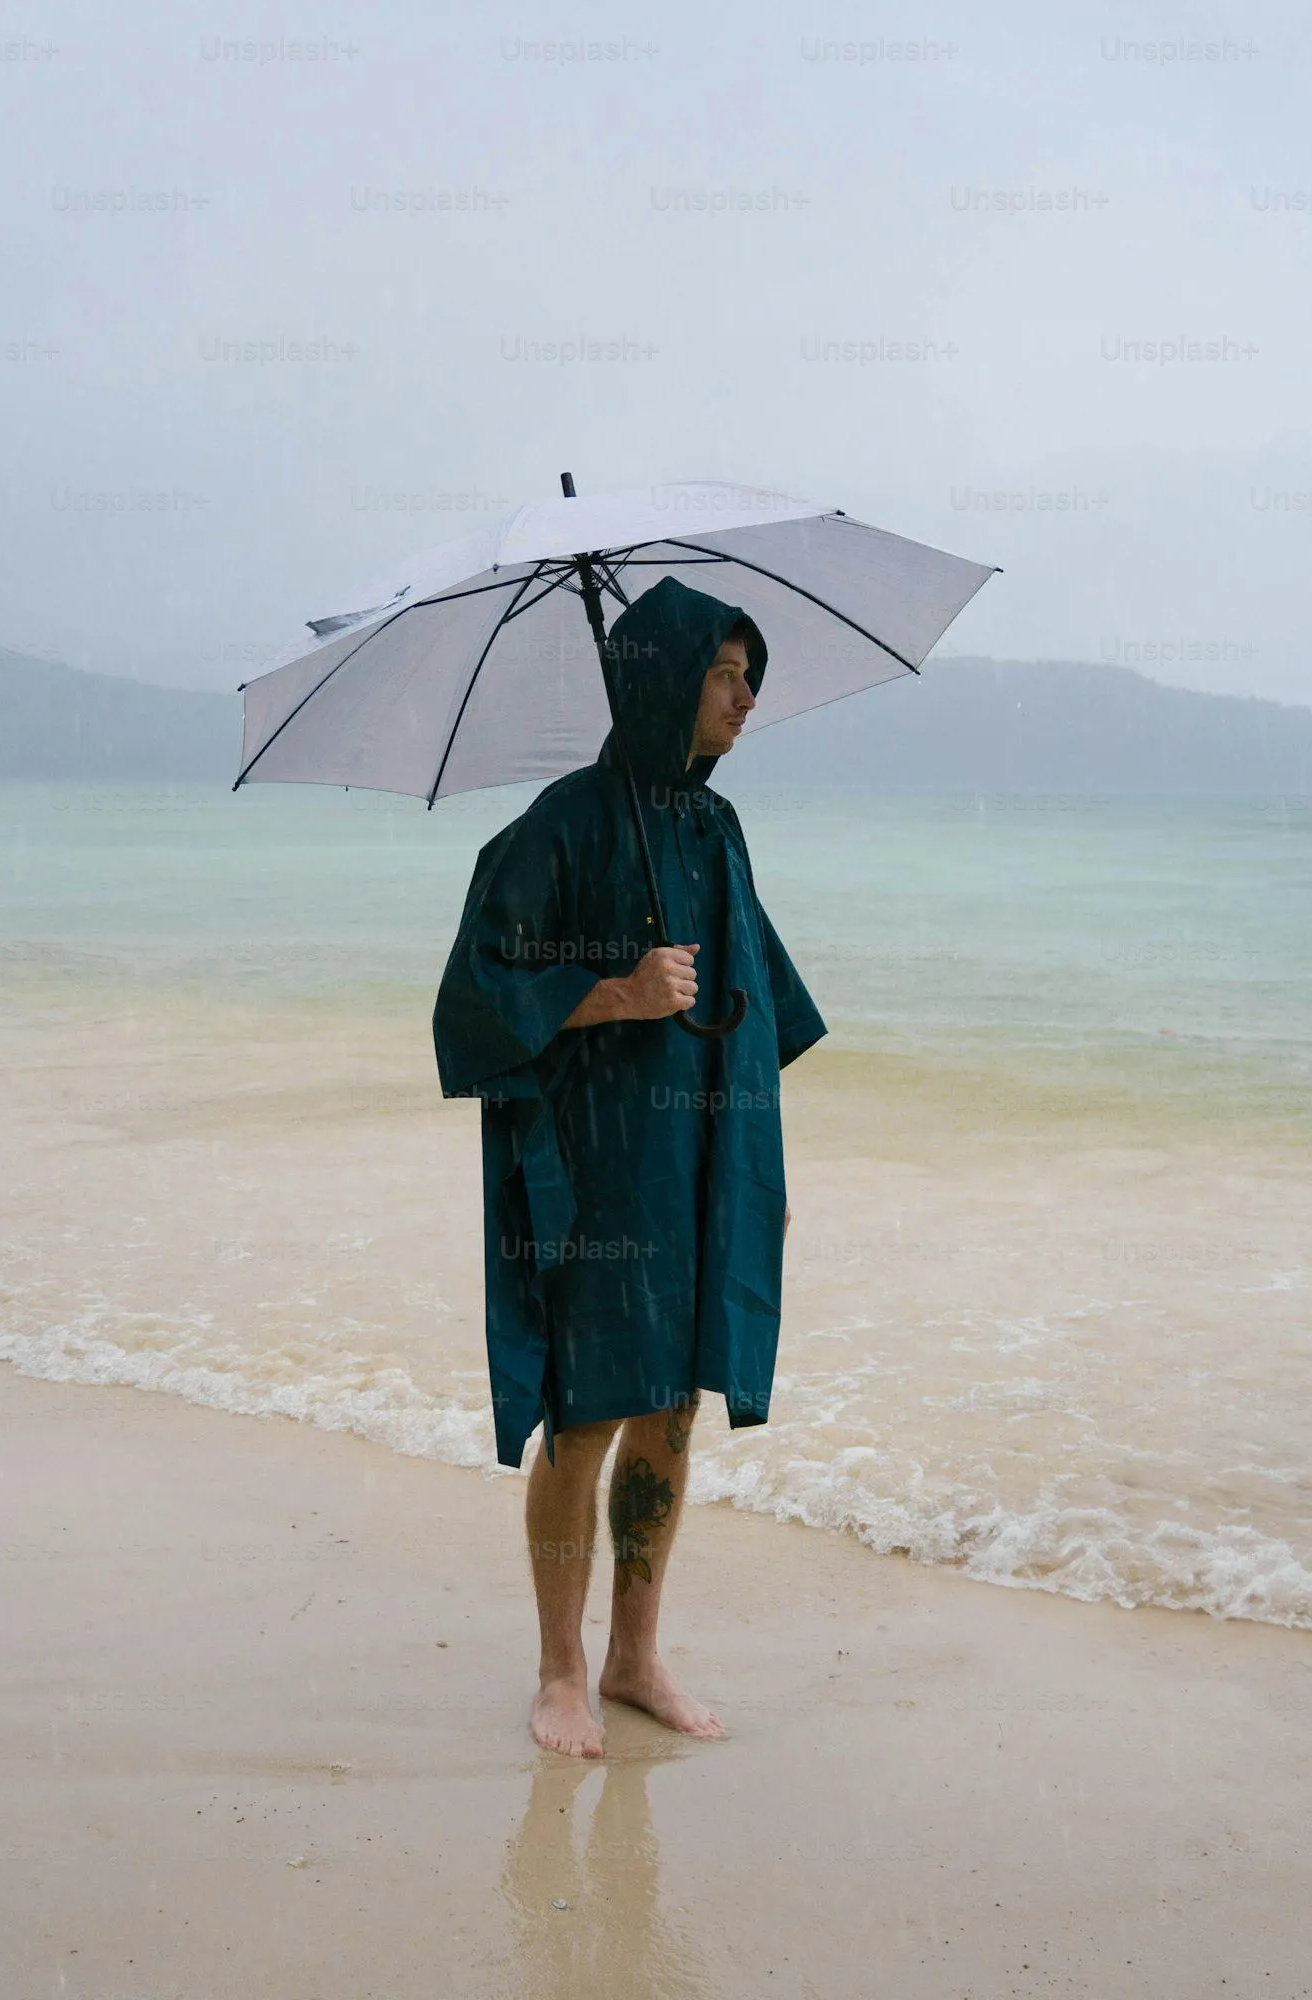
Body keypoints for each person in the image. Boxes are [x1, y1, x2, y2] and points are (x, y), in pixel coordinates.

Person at [432, 576, 826, 1759]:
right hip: (600, 1169)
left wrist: (752, 1156)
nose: (748, 696)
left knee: (674, 1405)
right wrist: (616, 992)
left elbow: (756, 1002)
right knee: (589, 1408)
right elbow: (472, 1002)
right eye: (724, 672)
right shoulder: (561, 823)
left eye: (752, 671)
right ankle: (560, 1670)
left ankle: (634, 1653)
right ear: (663, 682)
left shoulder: (715, 826)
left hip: (703, 1155)